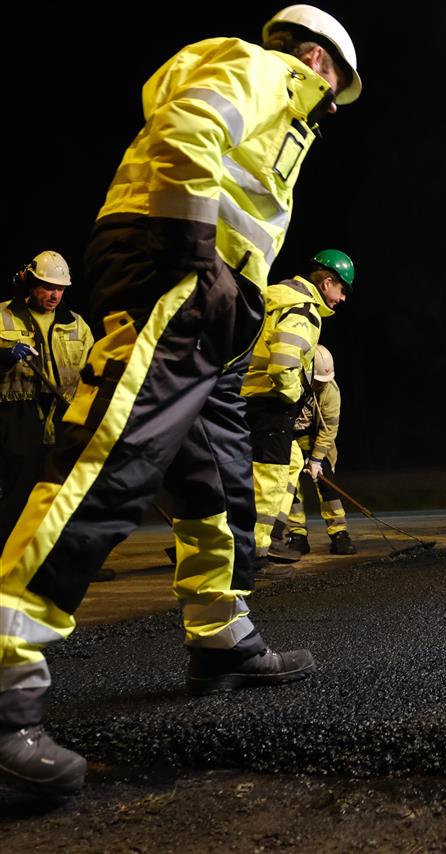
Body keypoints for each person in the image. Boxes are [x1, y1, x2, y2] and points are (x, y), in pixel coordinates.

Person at [0, 5, 361, 797]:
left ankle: (222, 638)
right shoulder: (265, 70)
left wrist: (230, 291)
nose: (334, 105)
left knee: (220, 480)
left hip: (219, 296)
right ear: (317, 60)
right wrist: (195, 253)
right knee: (112, 455)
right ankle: (7, 678)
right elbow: (192, 124)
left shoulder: (286, 112)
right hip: (177, 264)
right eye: (337, 84)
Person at [242, 250, 353, 566]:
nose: (342, 298)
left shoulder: (275, 299)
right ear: (327, 282)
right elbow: (283, 364)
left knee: (287, 466)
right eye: (342, 289)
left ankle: (273, 538)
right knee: (271, 477)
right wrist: (292, 396)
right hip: (270, 402)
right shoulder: (303, 310)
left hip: (246, 394)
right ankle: (259, 551)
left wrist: (316, 459)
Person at [0, 253, 95, 539]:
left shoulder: (77, 324)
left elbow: (93, 371)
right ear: (30, 284)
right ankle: (10, 555)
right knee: (17, 490)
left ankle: (59, 555)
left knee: (64, 493)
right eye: (48, 287)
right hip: (17, 415)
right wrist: (4, 355)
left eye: (60, 288)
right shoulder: (3, 316)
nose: (55, 295)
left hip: (64, 414)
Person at [284, 345, 356, 555]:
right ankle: (297, 535)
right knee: (289, 486)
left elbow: (329, 429)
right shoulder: (290, 384)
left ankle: (339, 533)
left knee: (327, 484)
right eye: (317, 380)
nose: (321, 384)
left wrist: (316, 460)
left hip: (315, 440)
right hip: (289, 440)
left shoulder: (330, 391)